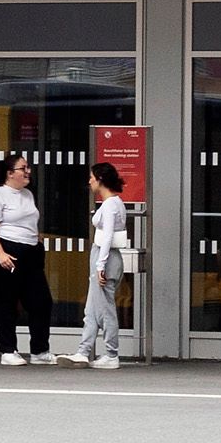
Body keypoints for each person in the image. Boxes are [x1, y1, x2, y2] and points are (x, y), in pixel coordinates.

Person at [0, 150, 53, 365]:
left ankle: (40, 350)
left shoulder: (28, 194)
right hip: (7, 250)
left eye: (28, 167)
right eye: (23, 168)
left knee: (41, 301)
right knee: (6, 303)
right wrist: (0, 254)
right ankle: (8, 350)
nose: (28, 171)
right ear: (10, 173)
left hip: (31, 252)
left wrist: (36, 240)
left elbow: (29, 221)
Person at [67, 158, 131, 369]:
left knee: (105, 309)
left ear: (100, 179)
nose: (90, 181)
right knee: (92, 309)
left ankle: (111, 354)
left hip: (105, 257)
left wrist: (100, 266)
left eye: (92, 178)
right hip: (106, 256)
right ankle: (83, 351)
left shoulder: (110, 204)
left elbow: (108, 235)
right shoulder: (114, 203)